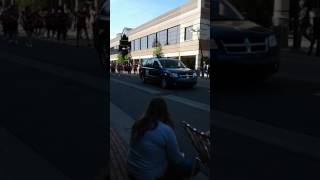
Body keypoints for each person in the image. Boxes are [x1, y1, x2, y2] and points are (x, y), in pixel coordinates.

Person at [127, 98, 200, 180]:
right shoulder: (165, 129)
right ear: (165, 112)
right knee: (192, 165)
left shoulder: (138, 124)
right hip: (147, 175)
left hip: (131, 170)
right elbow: (177, 160)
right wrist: (182, 156)